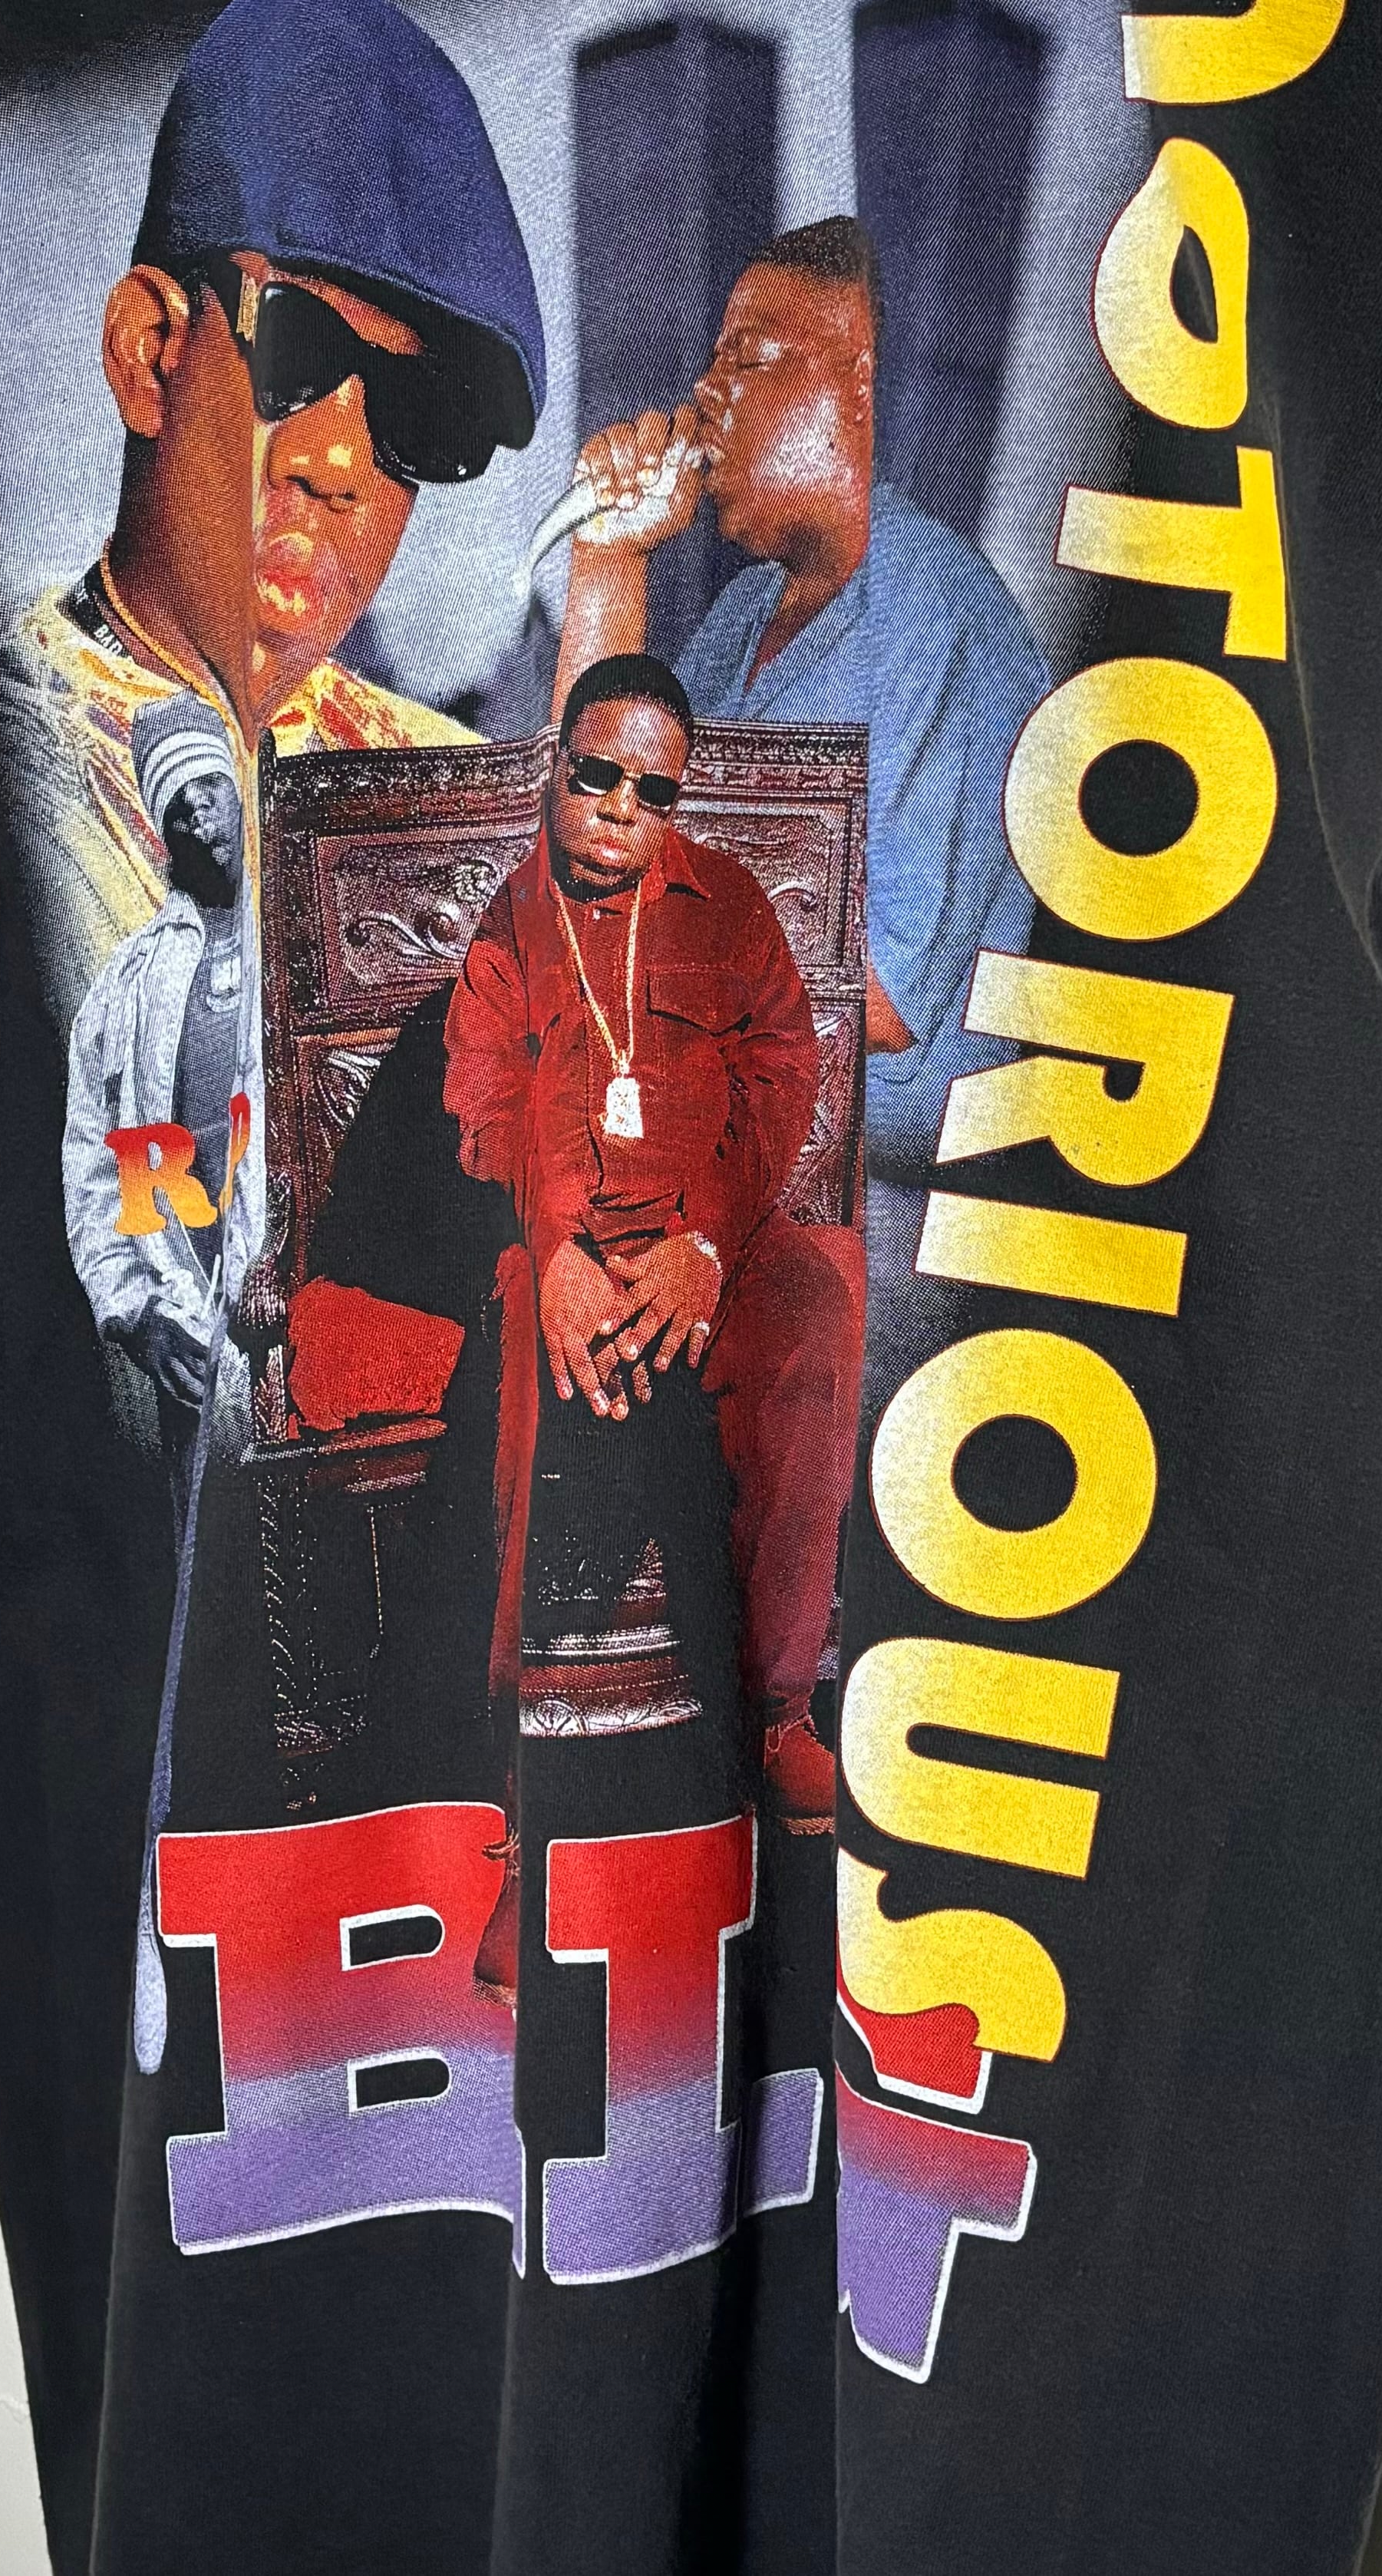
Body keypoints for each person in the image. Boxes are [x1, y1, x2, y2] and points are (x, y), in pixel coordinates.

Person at [0, 0, 545, 999]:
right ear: (149, 352)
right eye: (296, 354)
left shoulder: (446, 798)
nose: (338, 463)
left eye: (419, 417)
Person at [444, 656, 861, 1993]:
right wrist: (559, 1246)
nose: (620, 807)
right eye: (596, 775)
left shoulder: (726, 905)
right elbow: (481, 1107)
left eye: (651, 788)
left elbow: (782, 1075)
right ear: (554, 768)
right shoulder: (512, 923)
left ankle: (779, 1713)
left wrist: (707, 1243)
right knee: (520, 1353)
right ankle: (525, 1823)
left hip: (698, 1250)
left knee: (819, 1292)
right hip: (562, 1256)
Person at [549, 216, 1049, 1192]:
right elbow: (587, 829)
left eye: (746, 358)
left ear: (856, 384)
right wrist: (610, 559)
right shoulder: (746, 616)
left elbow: (882, 1000)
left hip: (882, 1211)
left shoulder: (931, 608)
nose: (704, 392)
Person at [61, 702, 266, 1441]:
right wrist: (134, 1315)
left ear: (238, 791)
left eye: (209, 787)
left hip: (312, 1318)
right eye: (178, 805)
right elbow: (93, 1165)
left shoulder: (304, 925)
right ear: (161, 831)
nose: (198, 813)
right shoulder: (126, 987)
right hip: (190, 1342)